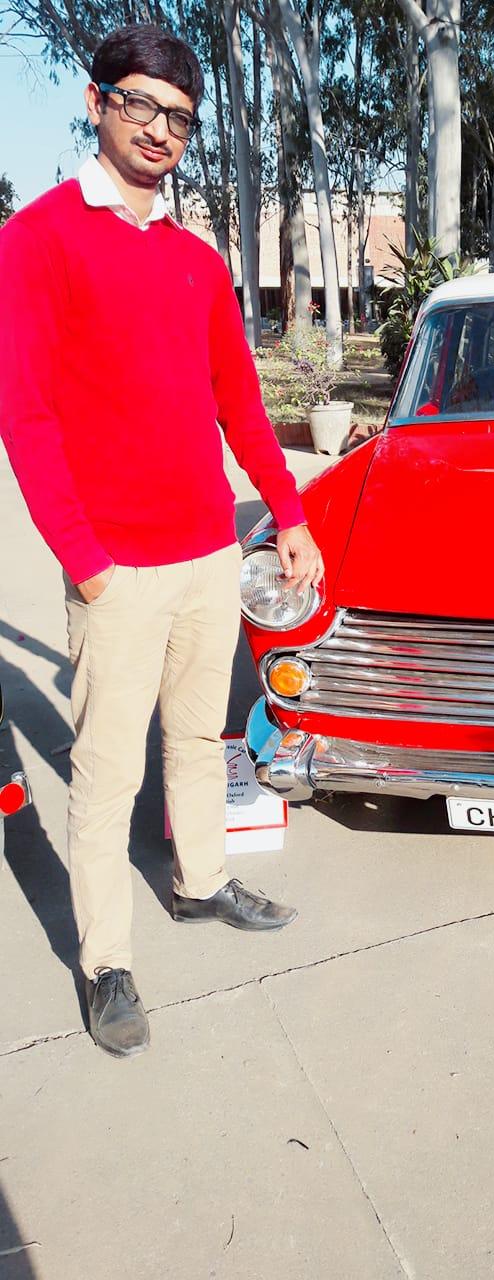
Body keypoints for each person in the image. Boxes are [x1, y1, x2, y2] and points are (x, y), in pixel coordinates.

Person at [0, 24, 323, 1059]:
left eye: (180, 117)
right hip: (117, 567)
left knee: (195, 739)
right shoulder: (40, 238)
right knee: (105, 776)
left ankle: (201, 881)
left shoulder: (196, 260)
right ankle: (106, 962)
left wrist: (289, 512)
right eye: (140, 104)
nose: (160, 131)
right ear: (96, 102)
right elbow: (26, 415)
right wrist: (84, 558)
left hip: (205, 555)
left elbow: (240, 402)